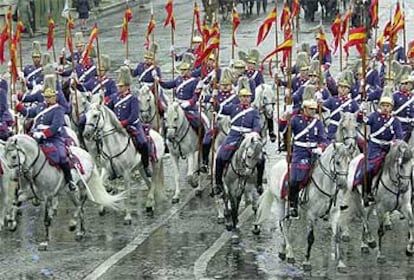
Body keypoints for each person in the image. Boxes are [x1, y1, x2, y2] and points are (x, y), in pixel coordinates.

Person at [15, 78, 77, 193]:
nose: (48, 99)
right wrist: (18, 105)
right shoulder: (40, 106)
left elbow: (55, 127)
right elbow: (28, 112)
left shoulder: (58, 109)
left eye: (50, 97)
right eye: (46, 97)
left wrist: (43, 134)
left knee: (62, 157)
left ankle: (70, 180)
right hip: (36, 137)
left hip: (54, 138)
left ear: (55, 97)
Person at [279, 90, 330, 219]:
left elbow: (324, 138)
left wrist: (321, 147)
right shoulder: (296, 120)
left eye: (314, 109)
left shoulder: (318, 122)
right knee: (295, 178)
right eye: (310, 109)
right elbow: (283, 130)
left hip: (315, 153)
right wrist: (285, 117)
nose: (313, 112)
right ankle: (293, 204)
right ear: (304, 109)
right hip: (300, 153)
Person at [213, 86, 263, 197]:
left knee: (261, 158)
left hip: (248, 137)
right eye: (243, 97)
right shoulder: (233, 108)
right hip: (233, 136)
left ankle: (259, 183)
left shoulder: (254, 111)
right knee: (220, 156)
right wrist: (215, 97)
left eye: (248, 97)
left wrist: (254, 134)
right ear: (239, 98)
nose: (245, 99)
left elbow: (257, 125)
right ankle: (218, 183)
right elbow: (218, 108)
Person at [353, 96, 403, 204]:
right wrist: (361, 112)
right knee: (368, 169)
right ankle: (367, 192)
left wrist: (394, 143)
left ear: (391, 108)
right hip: (374, 148)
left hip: (389, 148)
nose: (385, 108)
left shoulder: (395, 121)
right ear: (380, 106)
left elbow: (399, 137)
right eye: (383, 105)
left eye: (388, 106)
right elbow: (362, 120)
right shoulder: (374, 117)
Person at [104, 66, 152, 177]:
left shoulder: (133, 98)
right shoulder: (115, 97)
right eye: (118, 86)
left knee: (143, 143)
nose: (119, 88)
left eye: (121, 86)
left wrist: (122, 124)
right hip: (117, 126)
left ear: (127, 86)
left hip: (132, 125)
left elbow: (134, 116)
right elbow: (108, 109)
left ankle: (146, 166)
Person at [156, 54, 205, 136]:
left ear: (190, 71)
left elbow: (196, 96)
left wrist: (189, 103)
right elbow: (167, 85)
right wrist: (159, 80)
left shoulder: (195, 81)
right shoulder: (178, 79)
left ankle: (200, 139)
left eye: (185, 70)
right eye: (181, 70)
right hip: (177, 106)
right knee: (166, 122)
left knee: (198, 123)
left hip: (190, 107)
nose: (182, 72)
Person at [201, 67, 238, 172]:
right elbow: (202, 98)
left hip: (229, 122)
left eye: (227, 85)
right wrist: (201, 91)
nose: (225, 87)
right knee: (206, 140)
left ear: (231, 85)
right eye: (223, 85)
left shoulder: (235, 97)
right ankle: (204, 162)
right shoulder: (216, 95)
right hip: (217, 121)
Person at [392, 74, 414, 142]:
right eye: (403, 83)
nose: (404, 85)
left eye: (407, 83)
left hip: (411, 124)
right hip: (400, 124)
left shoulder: (412, 97)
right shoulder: (395, 96)